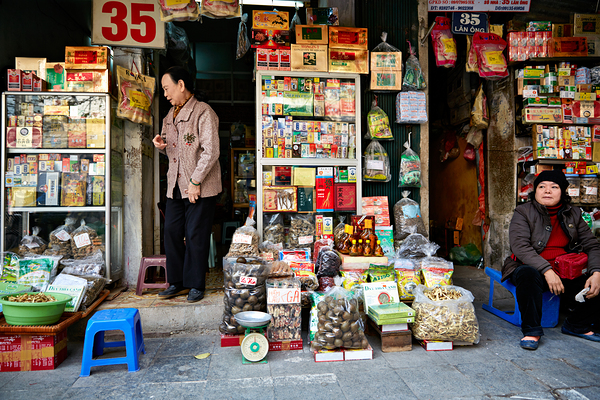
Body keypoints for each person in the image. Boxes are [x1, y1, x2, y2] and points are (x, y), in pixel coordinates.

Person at [502, 170, 600, 350]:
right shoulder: (523, 212)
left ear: (563, 192)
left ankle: (576, 324)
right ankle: (532, 330)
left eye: (554, 187)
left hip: (564, 270)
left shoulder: (574, 213)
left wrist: (596, 272)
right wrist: (547, 271)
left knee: (598, 281)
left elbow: (592, 245)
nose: (547, 191)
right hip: (529, 268)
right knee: (527, 274)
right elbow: (520, 247)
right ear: (535, 191)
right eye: (542, 187)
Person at [152, 66, 221, 303]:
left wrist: (195, 181)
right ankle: (177, 282)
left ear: (181, 85)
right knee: (171, 231)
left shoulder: (203, 112)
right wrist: (162, 147)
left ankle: (195, 284)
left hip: (200, 187)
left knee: (195, 234)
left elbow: (211, 152)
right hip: (175, 185)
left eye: (167, 88)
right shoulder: (168, 117)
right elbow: (176, 153)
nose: (166, 94)